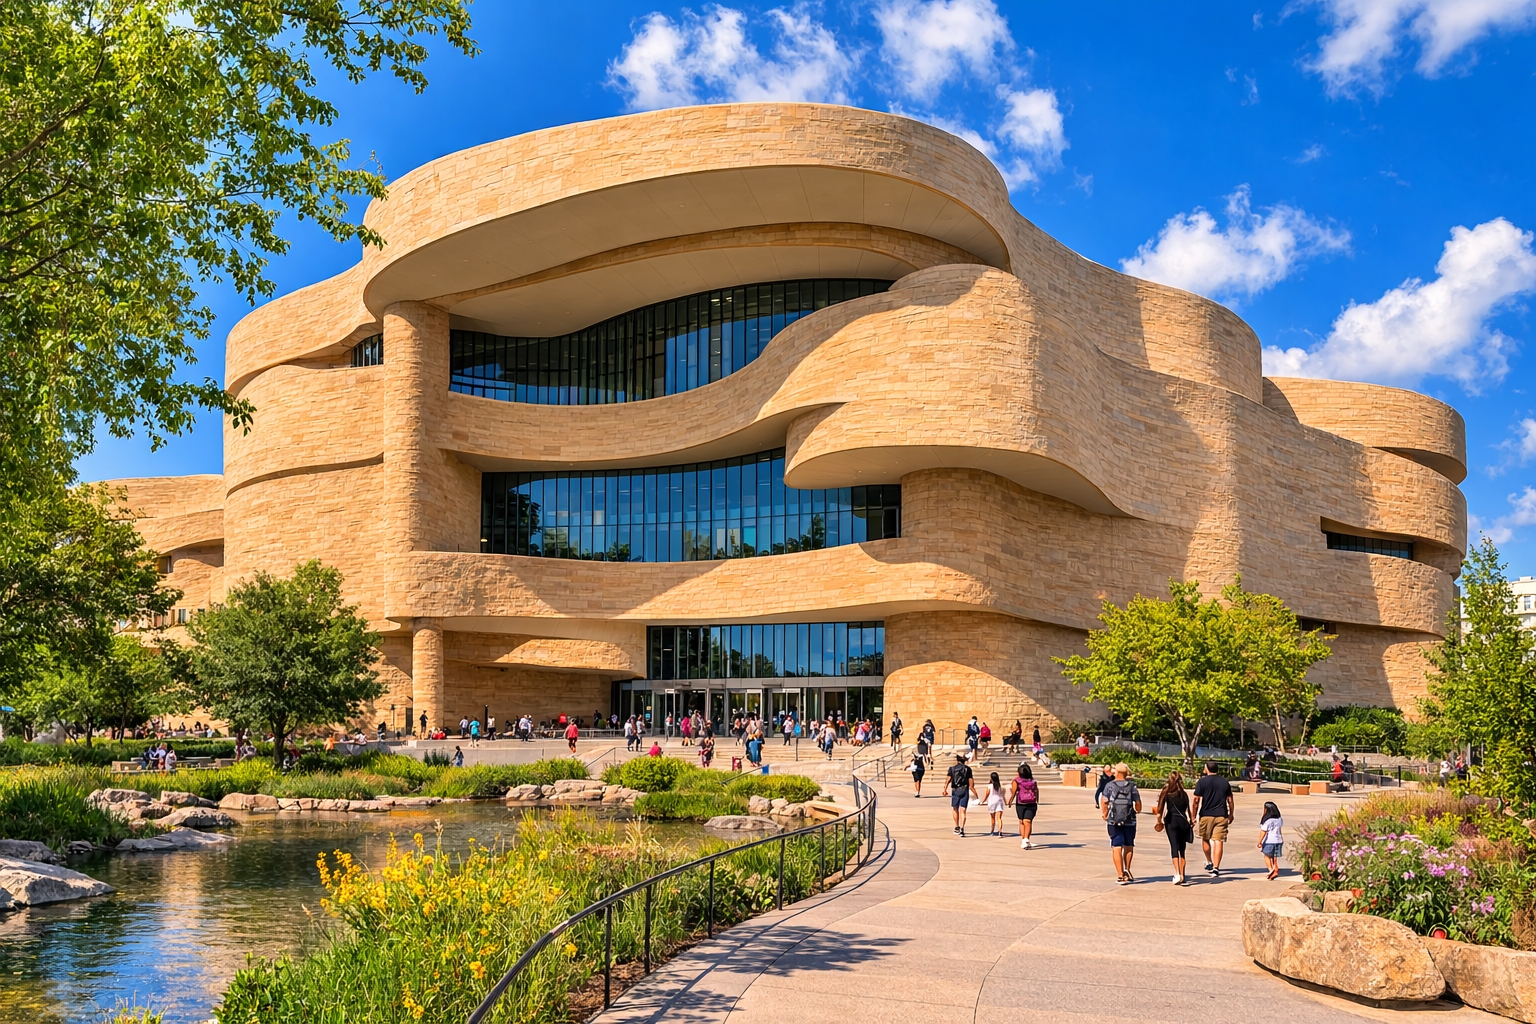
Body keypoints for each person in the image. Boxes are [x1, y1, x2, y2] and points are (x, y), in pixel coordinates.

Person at [1191, 760, 1235, 877]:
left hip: (1206, 814)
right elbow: (1230, 800)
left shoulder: (1202, 782)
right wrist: (1231, 814)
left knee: (1205, 838)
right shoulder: (1225, 782)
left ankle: (1209, 861)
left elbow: (1196, 800)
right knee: (1218, 841)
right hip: (1221, 815)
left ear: (1206, 768)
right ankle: (1216, 868)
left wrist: (1193, 816)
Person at [1100, 762, 1142, 884]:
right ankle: (1127, 870)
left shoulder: (1109, 786)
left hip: (1114, 820)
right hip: (1130, 820)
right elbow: (1138, 803)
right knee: (1129, 845)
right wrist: (1137, 810)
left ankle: (1120, 875)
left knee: (1116, 846)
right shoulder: (1132, 786)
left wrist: (1104, 813)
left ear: (1116, 772)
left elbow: (1104, 801)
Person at [1154, 770, 1193, 886]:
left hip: (1171, 821)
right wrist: (1191, 820)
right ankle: (1183, 874)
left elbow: (1160, 808)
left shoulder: (1166, 792)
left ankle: (1177, 873)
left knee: (1174, 847)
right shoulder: (1184, 794)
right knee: (1182, 850)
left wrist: (1159, 820)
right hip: (1183, 821)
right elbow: (1188, 809)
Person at [942, 753, 977, 836]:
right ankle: (962, 828)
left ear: (957, 760)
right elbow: (971, 783)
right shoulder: (968, 769)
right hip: (964, 789)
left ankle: (956, 826)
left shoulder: (952, 769)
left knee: (955, 809)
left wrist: (945, 789)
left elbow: (948, 780)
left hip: (955, 790)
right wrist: (974, 792)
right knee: (963, 810)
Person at [1010, 762, 1039, 849]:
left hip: (1021, 803)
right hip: (1031, 802)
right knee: (1025, 821)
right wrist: (1037, 800)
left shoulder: (1017, 781)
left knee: (1024, 821)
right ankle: (1025, 840)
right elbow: (1036, 791)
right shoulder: (1033, 781)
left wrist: (1010, 800)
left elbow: (1014, 791)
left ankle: (1025, 839)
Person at [1258, 801, 1285, 881]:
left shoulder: (1267, 820)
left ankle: (1271, 870)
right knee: (1274, 856)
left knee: (1266, 856)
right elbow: (1279, 830)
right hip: (1278, 840)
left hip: (1269, 841)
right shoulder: (1279, 819)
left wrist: (1259, 841)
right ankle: (1275, 868)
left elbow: (1263, 831)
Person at [981, 771, 1008, 835]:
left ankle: (992, 831)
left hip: (992, 802)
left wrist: (983, 801)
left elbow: (987, 794)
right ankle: (1000, 831)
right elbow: (1002, 794)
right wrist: (1005, 802)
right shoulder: (999, 786)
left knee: (992, 818)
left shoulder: (989, 786)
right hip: (999, 801)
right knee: (999, 818)